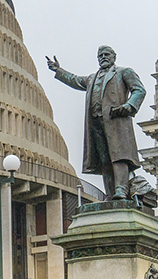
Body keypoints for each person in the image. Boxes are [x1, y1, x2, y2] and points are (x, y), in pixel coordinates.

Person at [45, 45, 146, 201]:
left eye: (106, 54)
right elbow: (75, 80)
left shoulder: (124, 72)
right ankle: (111, 193)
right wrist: (58, 70)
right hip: (96, 123)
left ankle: (121, 189)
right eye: (100, 55)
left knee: (119, 156)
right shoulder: (92, 78)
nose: (103, 57)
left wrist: (129, 105)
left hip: (116, 120)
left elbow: (139, 90)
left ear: (114, 57)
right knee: (104, 159)